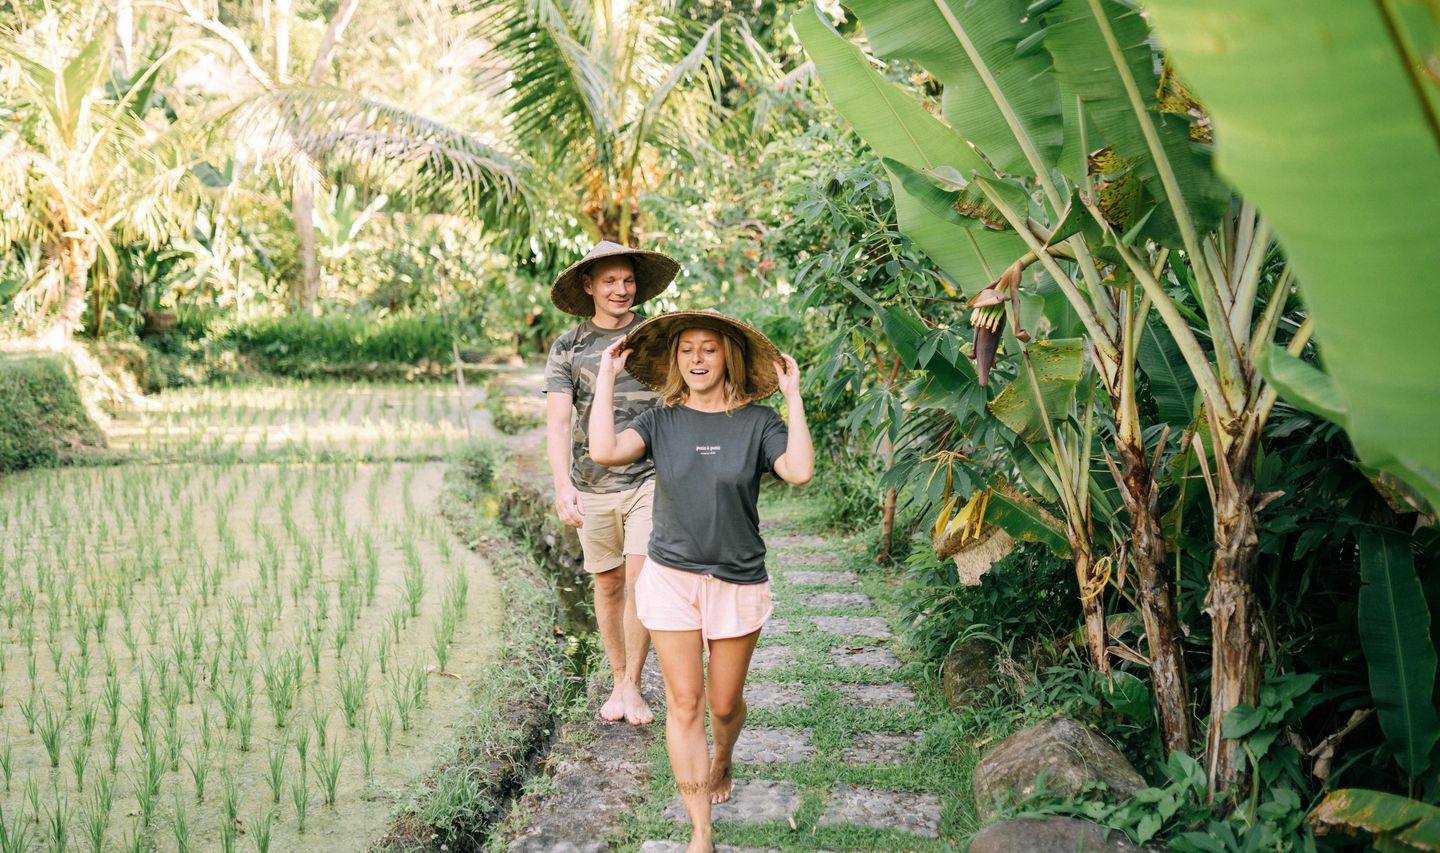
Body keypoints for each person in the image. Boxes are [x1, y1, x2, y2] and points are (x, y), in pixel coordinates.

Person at [588, 310, 814, 853]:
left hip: (737, 581)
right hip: (671, 579)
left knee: (723, 705)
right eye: (687, 349)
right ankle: (700, 832)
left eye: (708, 349)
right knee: (685, 704)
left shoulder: (759, 423)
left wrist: (793, 396)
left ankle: (725, 757)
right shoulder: (662, 420)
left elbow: (799, 471)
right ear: (675, 359)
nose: (696, 358)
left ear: (727, 357)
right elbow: (603, 451)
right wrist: (604, 379)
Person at [544, 240, 679, 725]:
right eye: (609, 282)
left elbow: (680, 400)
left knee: (642, 583)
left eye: (627, 281)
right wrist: (563, 486)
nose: (621, 290)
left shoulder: (656, 337)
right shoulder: (569, 346)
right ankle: (619, 676)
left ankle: (631, 685)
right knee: (607, 584)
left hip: (650, 478)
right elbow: (559, 422)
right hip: (593, 483)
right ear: (589, 286)